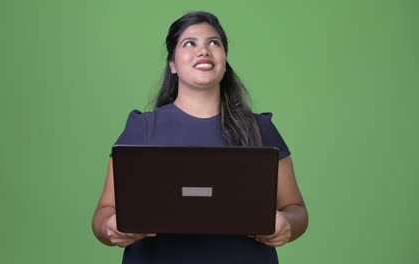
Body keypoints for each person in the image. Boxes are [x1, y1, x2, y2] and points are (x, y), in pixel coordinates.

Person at [92, 11, 308, 264]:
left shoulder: (260, 128)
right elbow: (104, 213)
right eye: (189, 43)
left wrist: (287, 225)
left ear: (225, 61)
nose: (203, 50)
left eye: (213, 43)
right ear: (172, 63)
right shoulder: (141, 128)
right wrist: (110, 227)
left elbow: (296, 210)